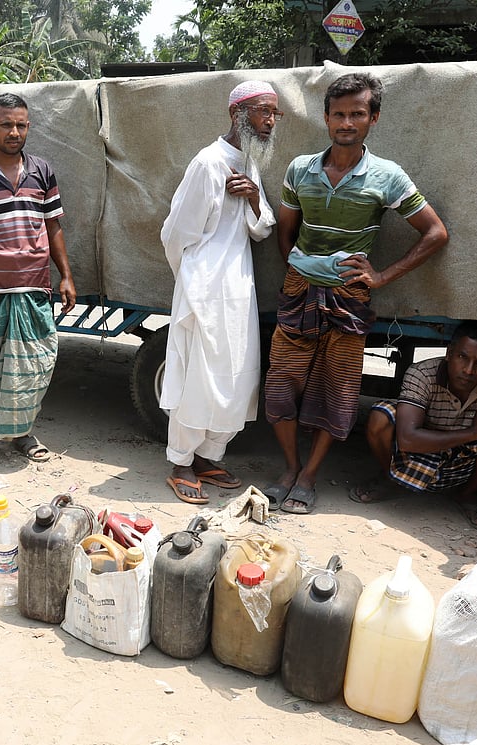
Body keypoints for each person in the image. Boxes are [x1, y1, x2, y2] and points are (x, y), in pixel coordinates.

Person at [264, 72, 449, 514]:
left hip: (349, 300)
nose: (347, 122)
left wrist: (382, 277)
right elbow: (286, 232)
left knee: (338, 390)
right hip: (298, 294)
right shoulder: (299, 169)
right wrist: (298, 267)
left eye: (357, 114)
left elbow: (435, 233)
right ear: (326, 117)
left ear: (374, 118)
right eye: (339, 114)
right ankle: (289, 468)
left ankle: (309, 477)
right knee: (279, 387)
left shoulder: (388, 176)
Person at [158, 80, 280, 505]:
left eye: (274, 113)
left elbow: (262, 229)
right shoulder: (208, 163)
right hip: (204, 289)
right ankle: (181, 463)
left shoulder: (248, 163)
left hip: (238, 288)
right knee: (198, 378)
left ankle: (209, 457)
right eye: (263, 111)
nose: (270, 121)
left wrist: (253, 198)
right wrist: (192, 283)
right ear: (237, 113)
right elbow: (176, 233)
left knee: (236, 377)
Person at [0, 92, 76, 471]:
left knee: (30, 368)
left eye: (21, 125)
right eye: (6, 124)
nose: (14, 132)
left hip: (34, 288)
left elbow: (53, 227)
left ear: (28, 127)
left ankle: (22, 433)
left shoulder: (42, 171)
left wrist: (66, 276)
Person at [348, 321, 477, 529]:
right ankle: (392, 480)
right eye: (462, 357)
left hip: (462, 459)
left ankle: (466, 493)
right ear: (449, 354)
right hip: (421, 447)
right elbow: (407, 440)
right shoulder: (422, 373)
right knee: (380, 417)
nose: (469, 370)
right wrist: (473, 432)